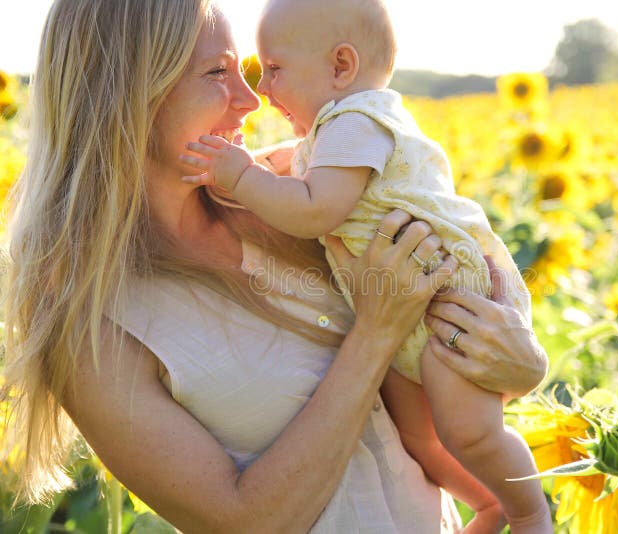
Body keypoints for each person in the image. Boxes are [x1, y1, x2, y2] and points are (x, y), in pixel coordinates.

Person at [0, 0, 552, 532]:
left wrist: (517, 364)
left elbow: (429, 372)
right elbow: (242, 523)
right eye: (218, 73)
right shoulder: (89, 321)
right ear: (126, 95)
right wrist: (375, 332)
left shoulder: (289, 201)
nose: (252, 99)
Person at [180, 0, 550, 530]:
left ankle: (529, 512)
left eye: (274, 69)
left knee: (467, 431)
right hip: (404, 307)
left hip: (447, 300)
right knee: (418, 436)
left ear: (341, 66)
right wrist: (267, 165)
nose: (263, 90)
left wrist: (241, 177)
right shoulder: (337, 131)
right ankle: (489, 504)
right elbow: (301, 163)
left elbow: (315, 209)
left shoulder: (355, 120)